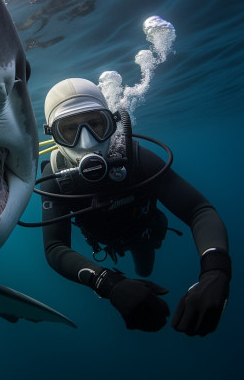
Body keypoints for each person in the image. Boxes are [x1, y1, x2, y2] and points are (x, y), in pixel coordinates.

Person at [39, 78, 231, 335]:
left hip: (144, 234)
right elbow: (55, 247)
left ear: (111, 124)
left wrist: (216, 270)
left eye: (96, 124)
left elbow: (199, 210)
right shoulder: (55, 178)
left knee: (144, 268)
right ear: (54, 135)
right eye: (70, 130)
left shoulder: (136, 158)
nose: (87, 141)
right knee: (140, 273)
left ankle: (142, 257)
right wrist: (108, 283)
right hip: (107, 242)